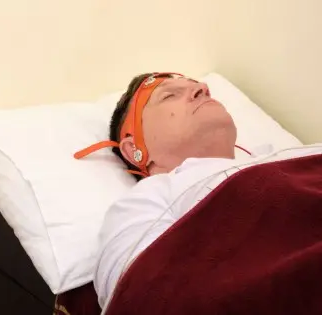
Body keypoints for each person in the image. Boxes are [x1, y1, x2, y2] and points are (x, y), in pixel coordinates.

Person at [89, 71, 317, 312]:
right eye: (169, 96)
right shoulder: (146, 202)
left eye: (197, 84)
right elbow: (142, 299)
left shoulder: (300, 154)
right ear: (133, 149)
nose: (203, 88)